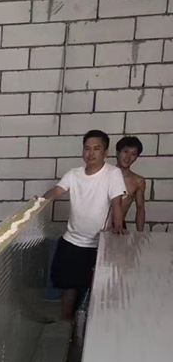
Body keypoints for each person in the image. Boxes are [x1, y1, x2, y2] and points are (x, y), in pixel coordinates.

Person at [44, 129, 126, 323]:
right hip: (71, 241)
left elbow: (117, 204)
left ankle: (90, 328)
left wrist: (117, 234)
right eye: (87, 148)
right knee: (68, 286)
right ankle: (66, 323)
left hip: (98, 245)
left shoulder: (112, 174)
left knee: (96, 290)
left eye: (96, 148)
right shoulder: (74, 174)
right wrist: (38, 203)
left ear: (105, 152)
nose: (91, 153)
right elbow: (56, 191)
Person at [114, 135, 146, 232]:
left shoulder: (138, 181)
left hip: (119, 227)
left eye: (133, 154)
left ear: (136, 158)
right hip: (98, 226)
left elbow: (140, 208)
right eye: (125, 152)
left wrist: (140, 234)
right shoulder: (103, 175)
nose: (128, 157)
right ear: (117, 153)